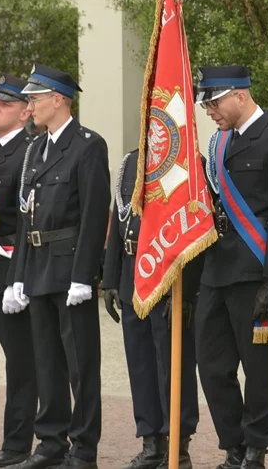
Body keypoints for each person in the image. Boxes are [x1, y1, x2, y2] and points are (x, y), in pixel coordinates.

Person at [196, 65, 268, 469]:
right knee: (211, 364)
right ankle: (232, 443)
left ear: (240, 95)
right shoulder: (219, 142)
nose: (210, 111)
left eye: (215, 101)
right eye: (206, 104)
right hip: (216, 270)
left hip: (255, 272)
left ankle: (256, 447)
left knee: (258, 368)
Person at [9, 63, 111, 469]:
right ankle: (50, 442)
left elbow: (93, 213)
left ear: (59, 100)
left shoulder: (88, 145)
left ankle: (83, 448)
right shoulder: (36, 148)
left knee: (80, 364)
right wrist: (18, 276)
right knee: (47, 361)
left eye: (35, 98)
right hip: (37, 266)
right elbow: (24, 216)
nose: (29, 104)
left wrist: (85, 275)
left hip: (70, 269)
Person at [101, 149, 203, 469]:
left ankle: (178, 445)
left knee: (172, 363)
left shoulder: (186, 157)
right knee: (140, 362)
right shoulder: (131, 161)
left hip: (168, 274)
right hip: (134, 271)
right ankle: (152, 442)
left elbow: (195, 224)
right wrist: (111, 278)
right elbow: (120, 217)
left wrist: (187, 291)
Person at [0, 74, 37, 468]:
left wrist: (19, 275)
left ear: (26, 111)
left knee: (20, 364)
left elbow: (26, 219)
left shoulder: (30, 153)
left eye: (5, 102)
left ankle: (17, 443)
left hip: (7, 270)